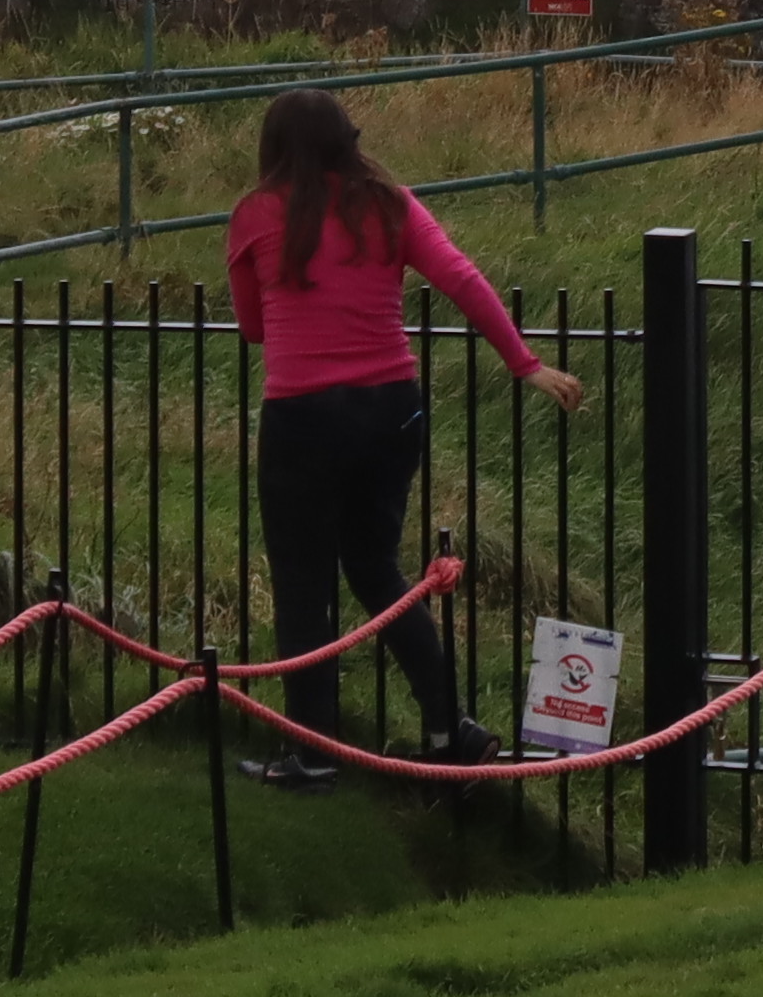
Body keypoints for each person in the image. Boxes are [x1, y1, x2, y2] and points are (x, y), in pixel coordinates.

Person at [221, 87, 589, 786]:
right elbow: (461, 277)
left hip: (303, 417)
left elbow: (253, 328)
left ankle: (313, 754)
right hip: (392, 410)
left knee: (303, 587)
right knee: (376, 571)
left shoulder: (255, 214)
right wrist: (525, 364)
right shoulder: (390, 203)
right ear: (348, 139)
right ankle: (452, 728)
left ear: (274, 148)